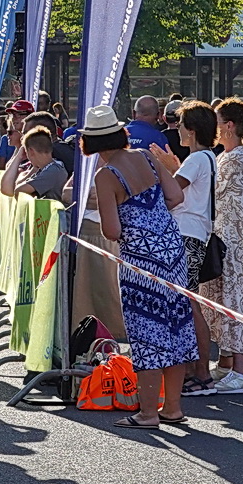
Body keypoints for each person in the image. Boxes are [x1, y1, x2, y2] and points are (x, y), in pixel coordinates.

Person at [82, 104, 196, 431]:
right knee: (175, 326)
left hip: (140, 261)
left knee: (146, 332)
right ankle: (172, 407)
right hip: (172, 251)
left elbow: (113, 231)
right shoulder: (147, 156)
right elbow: (174, 196)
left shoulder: (106, 176)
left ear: (89, 143)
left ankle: (147, 412)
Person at [195, 98, 243, 394]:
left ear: (230, 126)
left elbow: (214, 190)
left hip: (233, 239)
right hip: (221, 234)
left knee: (235, 299)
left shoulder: (237, 157)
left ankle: (240, 371)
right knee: (219, 297)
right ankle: (226, 363)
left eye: (218, 121)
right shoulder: (225, 155)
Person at [163, 102, 218, 393]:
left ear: (192, 130)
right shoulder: (206, 157)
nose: (178, 130)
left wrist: (160, 169)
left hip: (187, 234)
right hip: (196, 233)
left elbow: (171, 192)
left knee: (188, 304)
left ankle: (201, 373)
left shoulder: (197, 159)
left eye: (181, 124)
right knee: (188, 302)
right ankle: (193, 371)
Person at [0, 126, 69, 202]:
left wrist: (19, 157)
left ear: (31, 151)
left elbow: (18, 191)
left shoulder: (53, 171)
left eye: (26, 152)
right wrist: (18, 157)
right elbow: (7, 189)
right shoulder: (43, 169)